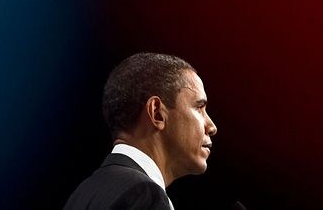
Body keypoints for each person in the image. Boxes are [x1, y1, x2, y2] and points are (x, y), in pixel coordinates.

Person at [63, 53, 218, 210]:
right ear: (157, 113)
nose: (212, 127)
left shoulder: (83, 193)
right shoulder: (145, 196)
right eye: (199, 108)